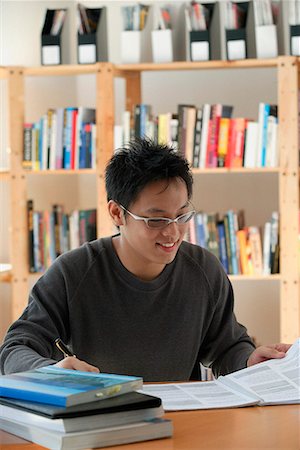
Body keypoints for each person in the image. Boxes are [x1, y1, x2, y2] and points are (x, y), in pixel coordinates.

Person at [0, 138, 290, 379]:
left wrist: (250, 360)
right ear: (117, 213)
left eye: (181, 216)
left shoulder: (204, 270)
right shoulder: (73, 272)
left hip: (183, 422)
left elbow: (225, 349)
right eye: (156, 220)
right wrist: (50, 372)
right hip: (98, 422)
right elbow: (15, 349)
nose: (173, 232)